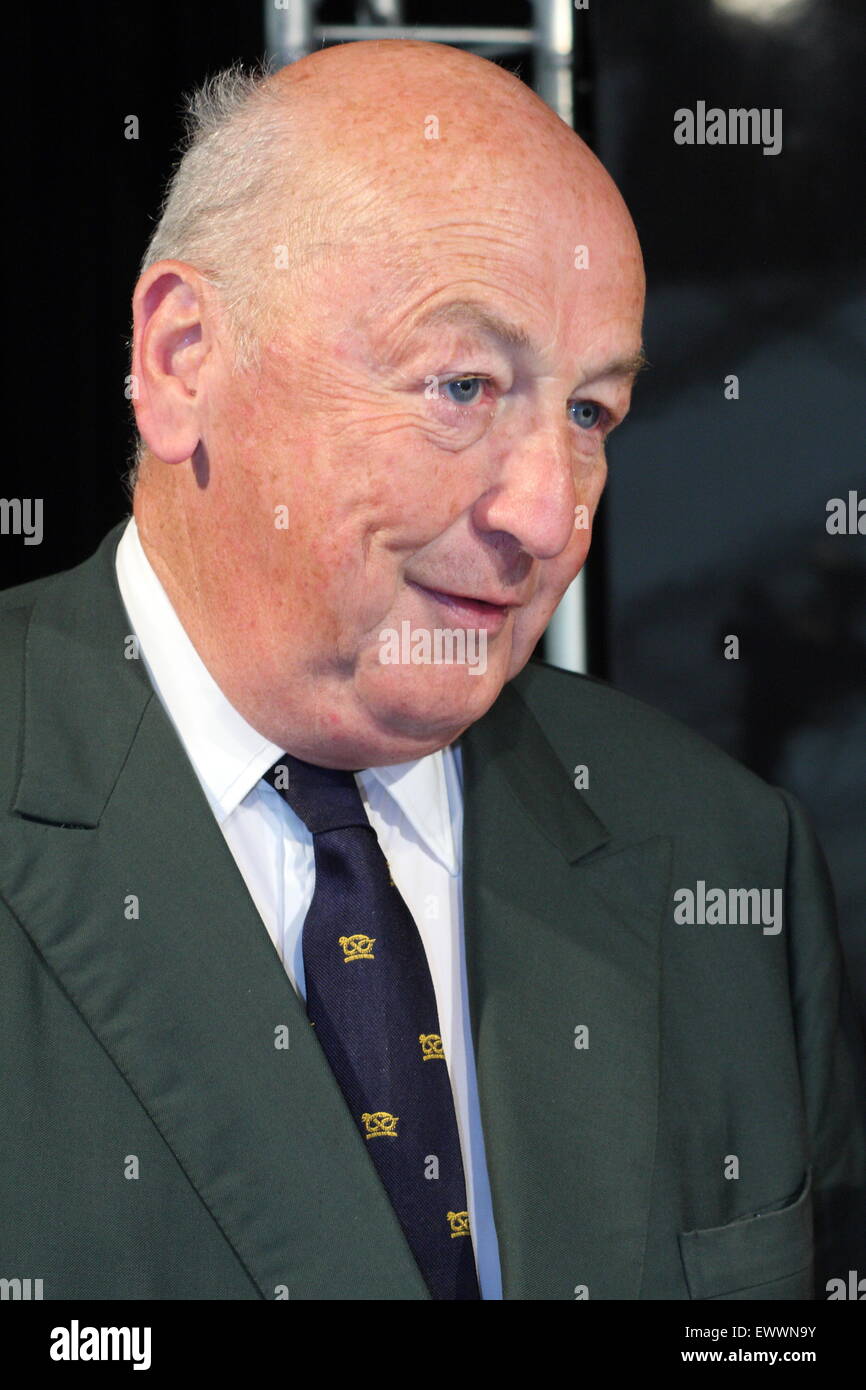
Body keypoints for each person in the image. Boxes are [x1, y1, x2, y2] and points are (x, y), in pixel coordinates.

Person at [1, 39, 863, 1302]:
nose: (548, 515)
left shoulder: (725, 855)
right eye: (462, 385)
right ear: (185, 358)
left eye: (586, 415)